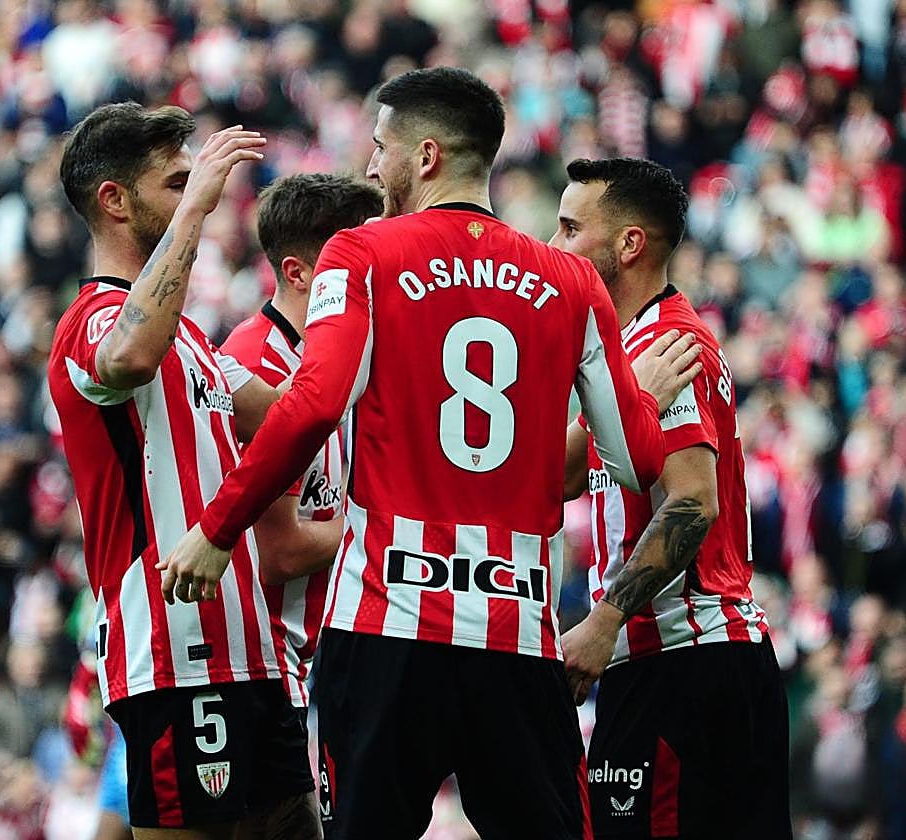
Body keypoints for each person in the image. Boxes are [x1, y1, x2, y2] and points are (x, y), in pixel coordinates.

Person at [160, 67, 671, 839]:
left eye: (380, 148)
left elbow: (313, 406)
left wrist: (217, 527)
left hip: (386, 630)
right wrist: (642, 398)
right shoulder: (571, 280)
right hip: (516, 638)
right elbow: (634, 460)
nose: (371, 168)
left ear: (425, 157)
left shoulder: (361, 254)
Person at [47, 102, 321, 838]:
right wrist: (195, 211)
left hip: (253, 651)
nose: (193, 191)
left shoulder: (195, 342)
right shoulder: (89, 324)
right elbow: (129, 356)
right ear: (114, 200)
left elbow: (294, 414)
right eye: (174, 181)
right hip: (174, 654)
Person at [553, 158, 791, 838]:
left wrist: (601, 622)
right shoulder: (627, 353)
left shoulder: (668, 342)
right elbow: (563, 476)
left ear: (629, 245)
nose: (555, 244)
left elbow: (694, 503)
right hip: (684, 663)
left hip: (681, 661)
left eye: (571, 228)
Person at [221, 173, 384, 708]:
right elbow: (281, 552)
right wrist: (392, 528)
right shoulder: (257, 367)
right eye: (358, 261)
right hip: (261, 663)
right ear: (299, 273)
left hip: (312, 657)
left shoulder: (349, 362)